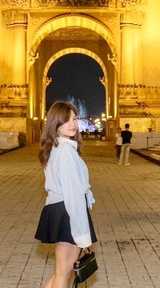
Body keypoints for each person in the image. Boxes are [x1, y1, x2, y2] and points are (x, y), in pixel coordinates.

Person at [35, 101, 96, 288]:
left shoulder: (56, 148)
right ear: (55, 123)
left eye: (75, 118)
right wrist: (82, 233)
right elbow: (73, 194)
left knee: (64, 271)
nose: (73, 124)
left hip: (58, 210)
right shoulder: (65, 151)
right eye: (66, 120)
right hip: (68, 211)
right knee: (64, 273)